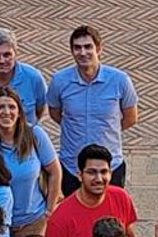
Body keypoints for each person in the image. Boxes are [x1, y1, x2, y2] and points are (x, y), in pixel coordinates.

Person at [45, 26, 139, 186]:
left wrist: (106, 130)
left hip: (109, 166)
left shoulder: (120, 80)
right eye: (77, 48)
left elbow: (131, 117)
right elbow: (55, 113)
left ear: (99, 48)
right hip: (72, 167)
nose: (83, 53)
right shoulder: (59, 81)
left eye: (88, 47)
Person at [48, 147, 138, 237]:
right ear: (80, 175)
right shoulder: (60, 217)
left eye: (104, 172)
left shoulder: (121, 197)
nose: (99, 179)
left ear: (111, 174)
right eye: (91, 172)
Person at [0, 87, 60, 235]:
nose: (6, 112)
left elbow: (55, 171)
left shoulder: (35, 135)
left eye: (12, 107)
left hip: (33, 222)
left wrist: (50, 210)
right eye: (0, 107)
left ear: (19, 112)